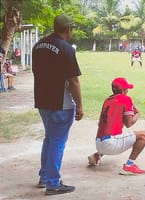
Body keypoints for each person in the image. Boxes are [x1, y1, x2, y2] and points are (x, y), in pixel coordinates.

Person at [32, 14, 84, 196]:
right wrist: (79, 106)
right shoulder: (66, 48)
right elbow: (74, 81)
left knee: (49, 138)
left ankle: (45, 177)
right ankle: (53, 183)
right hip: (60, 103)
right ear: (69, 29)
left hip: (42, 100)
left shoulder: (38, 45)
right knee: (57, 141)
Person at [87, 77, 145, 175]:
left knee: (116, 131)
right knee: (144, 135)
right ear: (123, 90)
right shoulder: (126, 99)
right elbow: (129, 123)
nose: (128, 91)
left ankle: (97, 155)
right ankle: (129, 166)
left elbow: (103, 123)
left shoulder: (107, 100)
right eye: (127, 89)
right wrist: (137, 114)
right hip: (110, 144)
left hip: (99, 143)